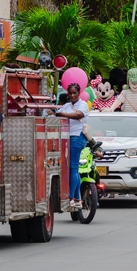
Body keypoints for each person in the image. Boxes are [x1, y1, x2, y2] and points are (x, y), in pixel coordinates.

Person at [55, 82, 89, 211]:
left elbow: (79, 115)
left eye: (75, 93)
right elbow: (56, 113)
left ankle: (72, 198)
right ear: (67, 94)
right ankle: (78, 200)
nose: (73, 95)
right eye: (70, 93)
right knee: (72, 168)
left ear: (79, 93)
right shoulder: (67, 105)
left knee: (73, 167)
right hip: (67, 138)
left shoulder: (83, 105)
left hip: (78, 137)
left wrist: (63, 115)